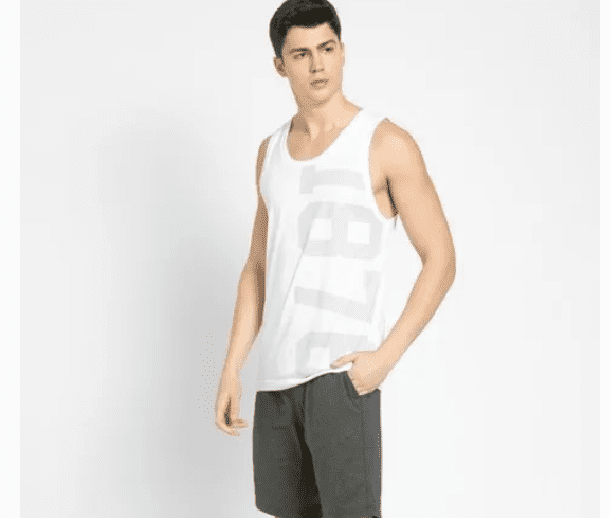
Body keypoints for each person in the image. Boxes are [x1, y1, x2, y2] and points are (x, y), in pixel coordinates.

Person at [215, 1, 456, 516]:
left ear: (343, 51)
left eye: (326, 48)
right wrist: (233, 367)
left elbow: (440, 258)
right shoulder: (269, 153)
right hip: (275, 382)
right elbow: (257, 268)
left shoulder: (385, 143)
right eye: (301, 54)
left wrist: (384, 359)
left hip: (341, 379)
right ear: (280, 65)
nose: (317, 65)